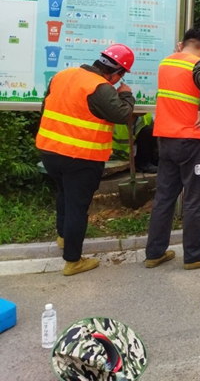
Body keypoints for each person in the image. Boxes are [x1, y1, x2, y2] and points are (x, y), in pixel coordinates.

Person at [36, 44, 136, 276]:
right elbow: (122, 114)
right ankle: (73, 260)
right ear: (116, 73)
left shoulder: (63, 75)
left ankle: (64, 238)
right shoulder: (100, 87)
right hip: (81, 158)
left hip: (50, 151)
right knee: (77, 207)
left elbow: (45, 107)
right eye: (121, 76)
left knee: (64, 196)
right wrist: (126, 94)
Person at [145, 28, 200, 270]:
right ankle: (194, 256)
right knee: (196, 199)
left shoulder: (166, 62)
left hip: (167, 140)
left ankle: (154, 253)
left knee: (164, 198)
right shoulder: (198, 64)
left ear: (182, 44)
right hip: (193, 140)